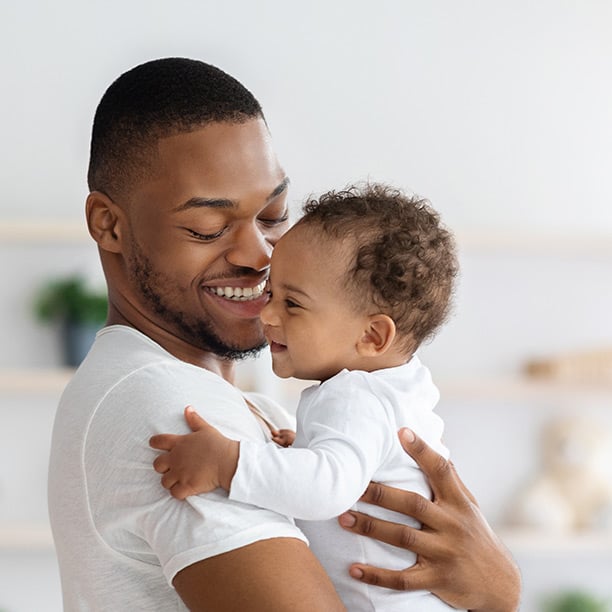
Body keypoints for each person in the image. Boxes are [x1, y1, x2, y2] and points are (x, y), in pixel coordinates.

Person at [47, 57, 521, 611]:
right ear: (109, 224)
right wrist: (499, 593)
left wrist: (494, 585)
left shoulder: (264, 415)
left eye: (273, 215)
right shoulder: (169, 409)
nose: (259, 255)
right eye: (208, 227)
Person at [150, 183, 461, 611]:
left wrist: (228, 462)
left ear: (372, 336)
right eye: (271, 294)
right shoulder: (399, 389)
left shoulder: (355, 396)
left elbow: (328, 487)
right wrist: (301, 449)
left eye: (292, 304)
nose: (268, 313)